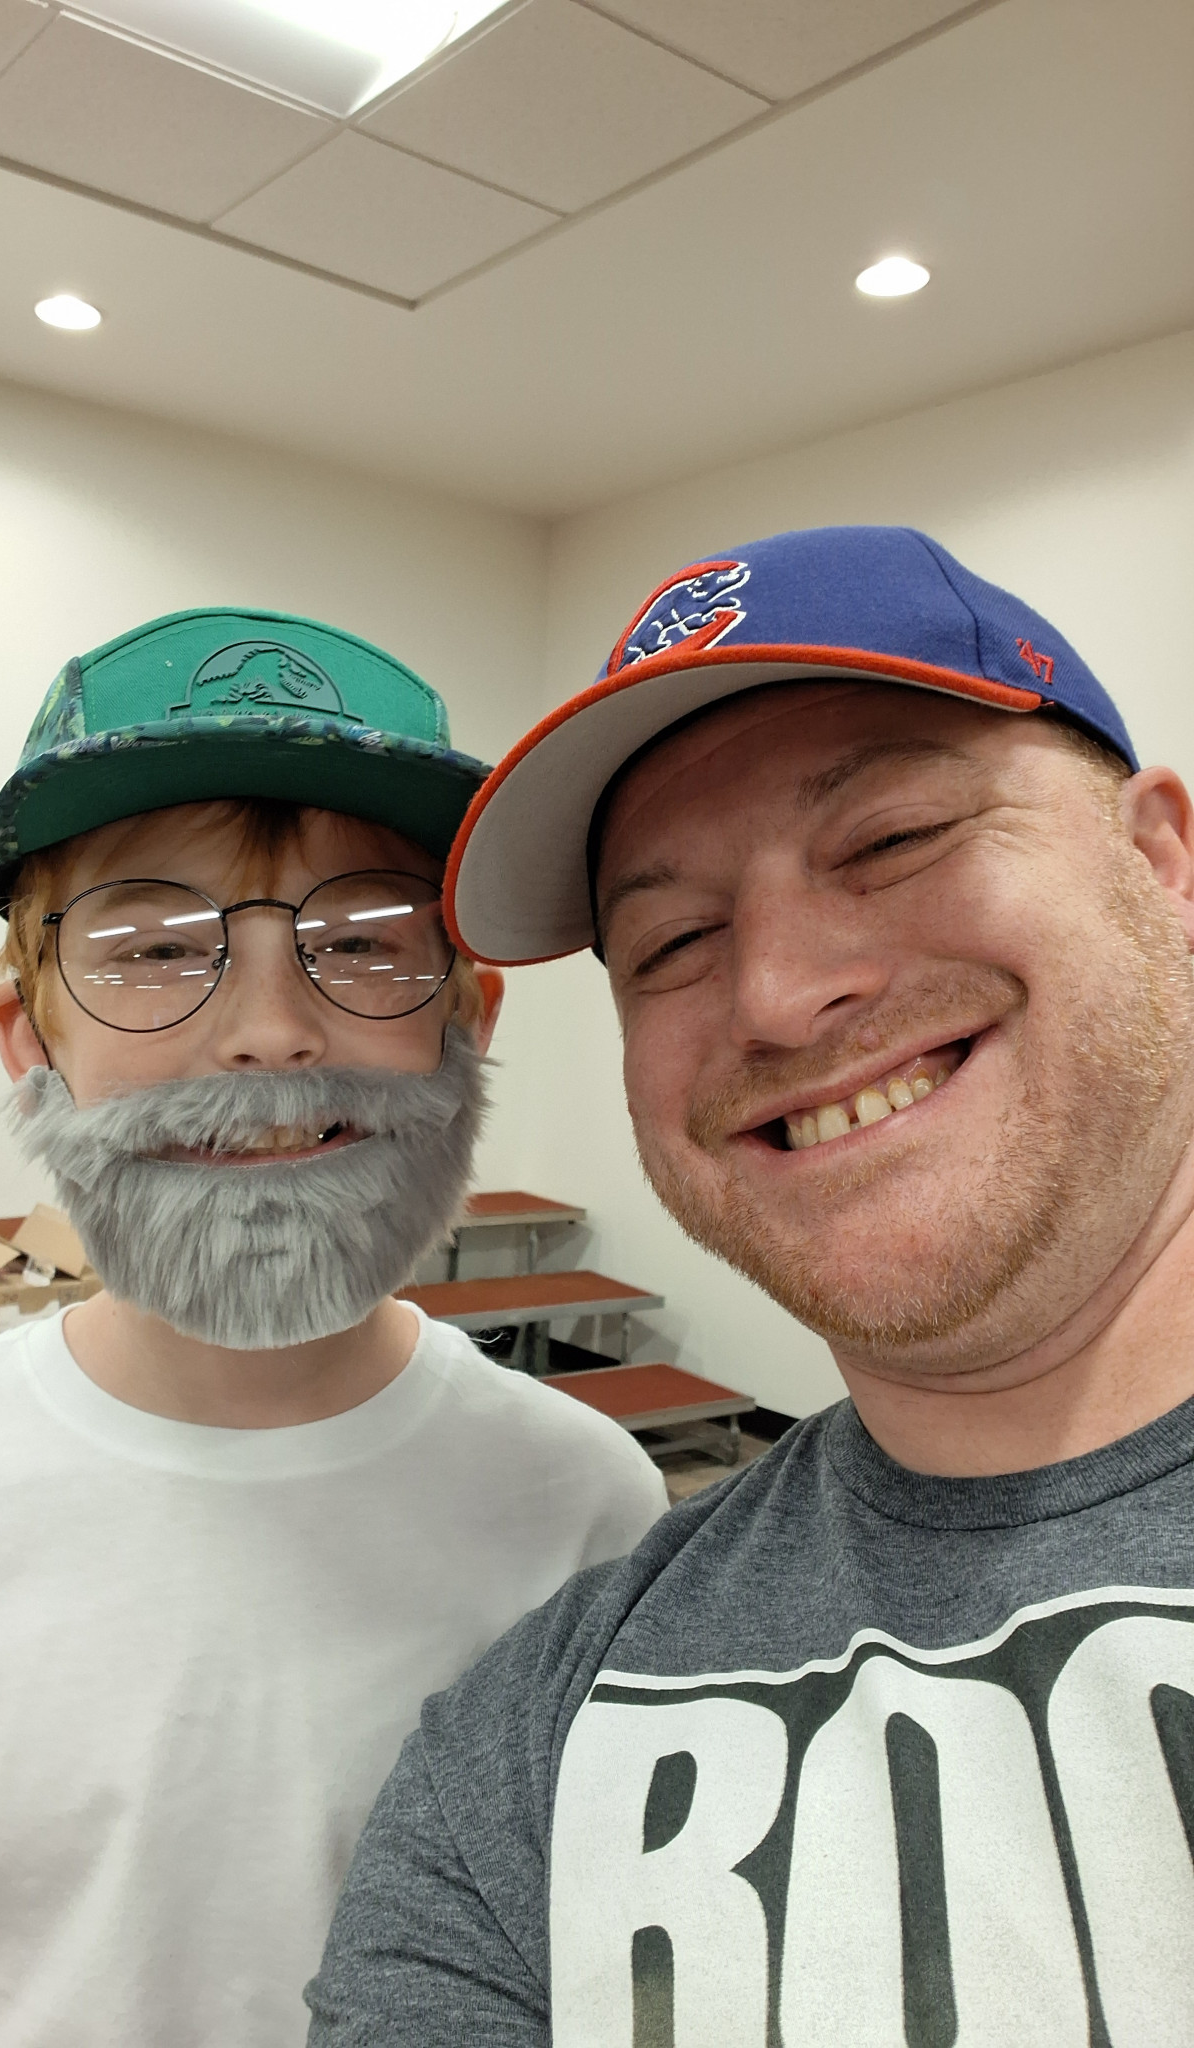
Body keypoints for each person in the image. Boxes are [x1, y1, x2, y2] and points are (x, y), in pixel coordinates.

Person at [0, 606, 667, 2048]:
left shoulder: (588, 1509)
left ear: (468, 1018)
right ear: (31, 1036)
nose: (268, 1033)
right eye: (152, 948)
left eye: (364, 944)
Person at [306, 526, 1194, 2046]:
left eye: (892, 839)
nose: (778, 995)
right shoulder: (538, 1747)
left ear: (1162, 863)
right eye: (675, 940)